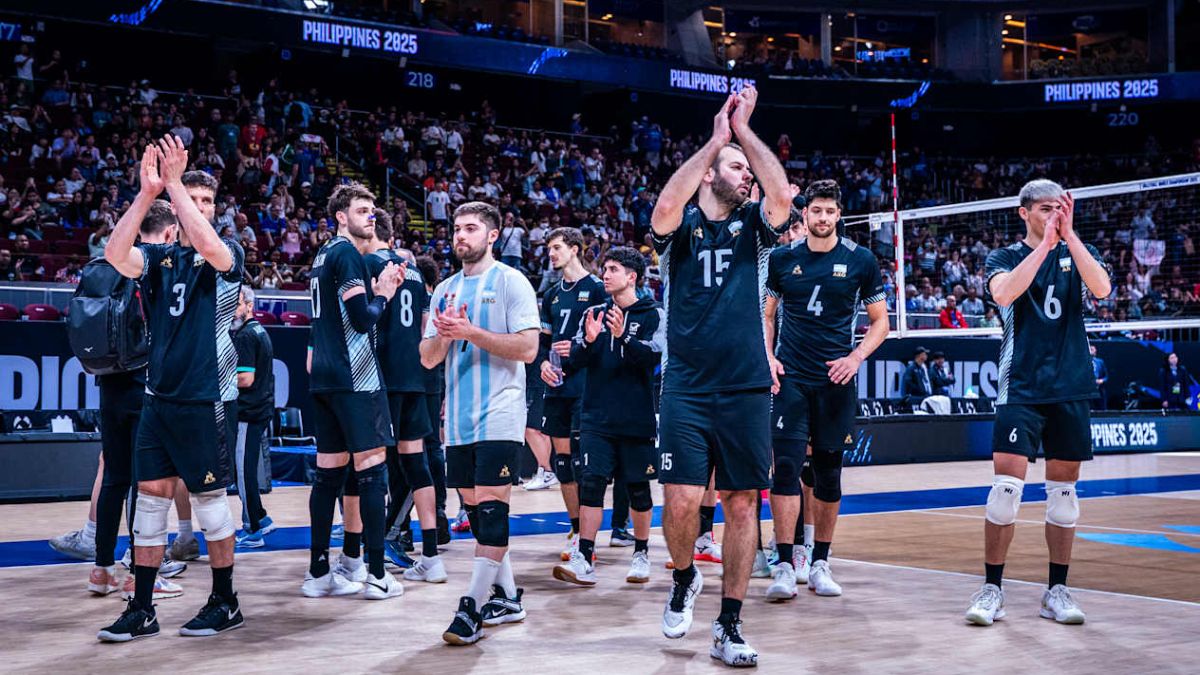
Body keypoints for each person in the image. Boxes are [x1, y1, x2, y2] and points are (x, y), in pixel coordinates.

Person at [650, 85, 791, 667]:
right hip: (684, 384)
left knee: (740, 504)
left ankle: (730, 624)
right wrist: (715, 142)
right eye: (736, 167)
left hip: (745, 386)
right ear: (709, 174)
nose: (747, 175)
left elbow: (781, 194)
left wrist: (746, 133)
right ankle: (684, 578)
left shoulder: (757, 229)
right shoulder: (678, 230)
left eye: (747, 168)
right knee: (681, 502)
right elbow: (661, 211)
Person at [99, 137, 247, 641]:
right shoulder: (161, 259)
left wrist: (178, 184)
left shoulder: (227, 252)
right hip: (158, 400)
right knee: (150, 504)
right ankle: (142, 607)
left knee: (210, 503)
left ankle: (225, 600)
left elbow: (209, 246)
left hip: (204, 398)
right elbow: (113, 255)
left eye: (208, 201)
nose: (198, 207)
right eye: (193, 200)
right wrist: (147, 193)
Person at [966, 179, 1112, 626]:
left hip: (1070, 385)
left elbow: (1103, 289)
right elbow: (1004, 293)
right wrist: (1045, 246)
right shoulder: (1005, 257)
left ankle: (1057, 591)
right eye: (1046, 208)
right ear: (1024, 212)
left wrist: (1069, 238)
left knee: (1064, 499)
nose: (1055, 214)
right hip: (1021, 386)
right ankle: (992, 589)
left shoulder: (1075, 252)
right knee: (1004, 495)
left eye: (1060, 208)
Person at [762, 179, 890, 602]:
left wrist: (855, 359)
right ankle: (784, 563)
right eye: (815, 210)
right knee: (785, 469)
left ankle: (820, 562)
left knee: (828, 473)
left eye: (829, 211)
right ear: (805, 214)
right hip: (792, 378)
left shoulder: (861, 260)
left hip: (836, 380)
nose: (821, 218)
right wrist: (768, 356)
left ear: (839, 215)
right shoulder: (782, 259)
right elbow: (766, 315)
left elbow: (880, 322)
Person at [420, 201, 540, 645]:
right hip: (459, 418)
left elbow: (528, 348)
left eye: (470, 228)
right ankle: (508, 597)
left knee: (491, 509)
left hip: (501, 413)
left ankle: (469, 606)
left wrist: (471, 333)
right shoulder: (445, 290)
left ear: (492, 235)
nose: (460, 236)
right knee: (476, 510)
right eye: (456, 228)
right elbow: (428, 358)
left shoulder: (512, 282)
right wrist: (445, 336)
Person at [304, 182, 405, 601]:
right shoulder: (346, 254)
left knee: (328, 475)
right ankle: (377, 574)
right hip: (355, 377)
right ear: (341, 216)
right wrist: (384, 292)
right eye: (363, 210)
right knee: (372, 471)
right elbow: (363, 319)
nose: (372, 216)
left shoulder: (323, 254)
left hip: (324, 378)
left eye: (373, 209)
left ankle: (318, 573)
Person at [552, 246, 663, 587]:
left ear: (632, 276)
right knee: (591, 486)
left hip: (636, 417)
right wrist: (585, 343)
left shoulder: (652, 314)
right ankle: (585, 555)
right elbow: (571, 362)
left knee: (639, 489)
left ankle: (641, 553)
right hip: (596, 417)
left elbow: (652, 359)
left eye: (613, 269)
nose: (606, 273)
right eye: (605, 268)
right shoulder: (595, 313)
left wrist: (621, 339)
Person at [362, 208, 446, 583]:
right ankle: (431, 556)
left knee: (372, 464)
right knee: (417, 463)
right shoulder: (412, 269)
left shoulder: (367, 264)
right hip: (416, 377)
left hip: (383, 378)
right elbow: (426, 325)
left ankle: (373, 554)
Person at [537, 227, 608, 559]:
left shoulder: (595, 288)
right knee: (562, 463)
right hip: (557, 385)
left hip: (586, 384)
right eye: (549, 249)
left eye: (557, 248)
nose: (551, 254)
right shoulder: (551, 293)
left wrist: (577, 348)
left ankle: (590, 539)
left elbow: (605, 338)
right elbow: (543, 343)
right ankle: (576, 528)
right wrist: (542, 365)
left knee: (583, 462)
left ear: (575, 249)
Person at [231, 286, 277, 548]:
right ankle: (261, 517)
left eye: (237, 304)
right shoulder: (259, 330)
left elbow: (245, 378)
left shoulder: (247, 336)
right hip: (260, 408)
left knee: (243, 471)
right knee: (246, 467)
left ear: (249, 305)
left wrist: (220, 378)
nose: (233, 309)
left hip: (249, 411)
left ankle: (253, 528)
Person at [1090, 344, 1108, 410]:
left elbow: (1106, 377)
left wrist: (1102, 380)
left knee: (1101, 407)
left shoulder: (1100, 362)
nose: (1092, 351)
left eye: (1093, 349)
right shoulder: (1084, 362)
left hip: (1099, 389)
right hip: (1089, 389)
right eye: (1090, 349)